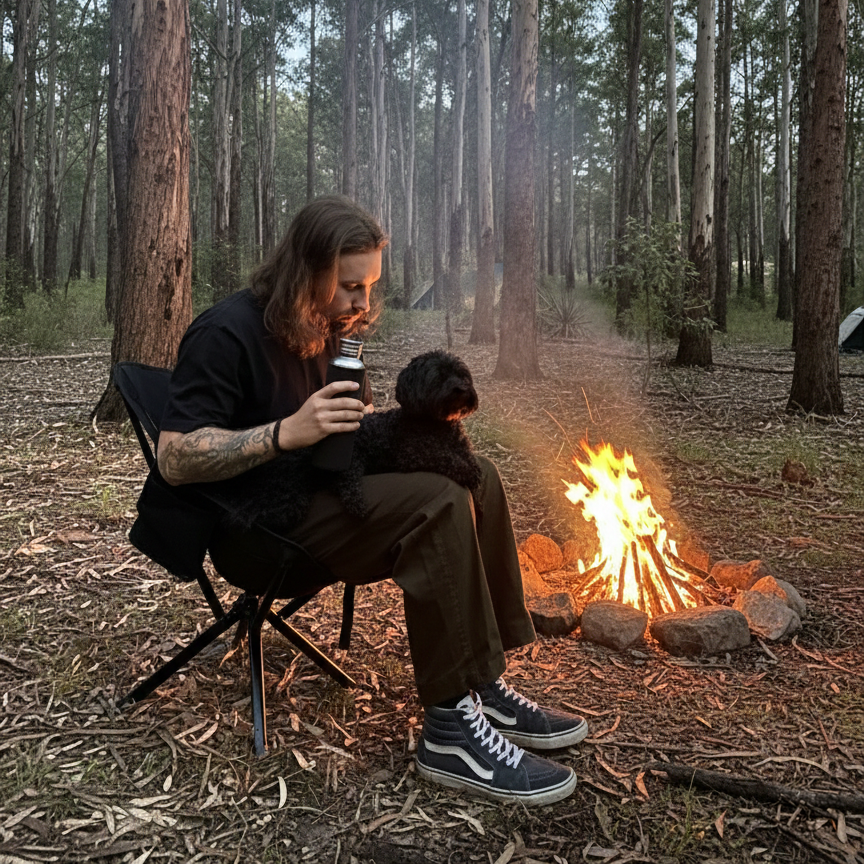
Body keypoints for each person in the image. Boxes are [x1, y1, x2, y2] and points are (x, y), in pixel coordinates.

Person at [154, 195, 588, 806]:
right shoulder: (225, 333)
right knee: (436, 500)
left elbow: (343, 437)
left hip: (322, 495)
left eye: (368, 286)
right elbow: (174, 455)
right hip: (255, 529)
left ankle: (482, 683)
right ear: (308, 272)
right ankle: (448, 733)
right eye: (351, 286)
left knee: (476, 474)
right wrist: (286, 432)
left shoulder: (325, 331)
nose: (363, 302)